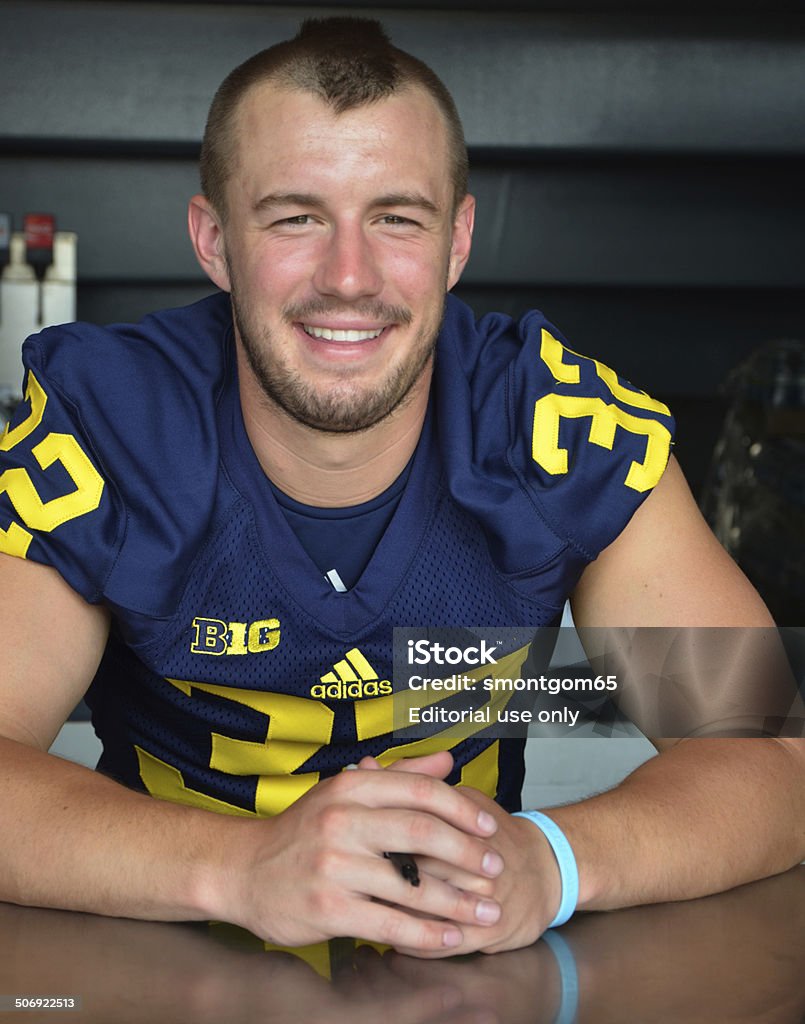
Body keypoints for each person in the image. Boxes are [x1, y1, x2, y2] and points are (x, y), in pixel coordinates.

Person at [0, 17, 801, 958]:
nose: (350, 277)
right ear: (215, 241)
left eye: (397, 218)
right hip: (156, 959)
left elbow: (769, 756)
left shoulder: (552, 426)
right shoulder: (113, 423)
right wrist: (242, 867)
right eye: (296, 217)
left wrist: (548, 862)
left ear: (458, 239)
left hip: (472, 966)